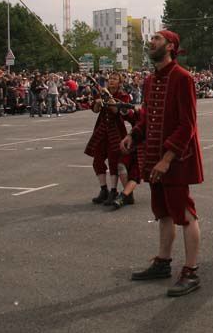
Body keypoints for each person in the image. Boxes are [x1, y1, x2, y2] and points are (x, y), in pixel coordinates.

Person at [121, 30, 203, 297]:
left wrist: (167, 159)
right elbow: (148, 117)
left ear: (170, 46)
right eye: (152, 39)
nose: (151, 42)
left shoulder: (183, 78)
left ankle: (191, 271)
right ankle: (163, 262)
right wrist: (133, 135)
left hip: (176, 160)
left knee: (185, 215)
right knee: (163, 212)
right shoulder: (149, 80)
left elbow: (187, 125)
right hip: (154, 158)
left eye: (156, 38)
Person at [84, 74, 136, 205]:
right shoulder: (101, 92)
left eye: (114, 79)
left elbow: (115, 110)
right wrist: (97, 102)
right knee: (97, 160)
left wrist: (108, 96)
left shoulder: (123, 95)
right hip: (101, 130)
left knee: (114, 162)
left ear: (119, 83)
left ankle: (114, 190)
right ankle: (103, 189)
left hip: (116, 131)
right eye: (110, 79)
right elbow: (95, 110)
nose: (111, 81)